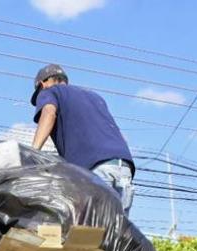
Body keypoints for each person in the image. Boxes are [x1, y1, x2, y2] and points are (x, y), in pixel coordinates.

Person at [30, 63, 135, 215]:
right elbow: (121, 137)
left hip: (96, 170)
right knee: (116, 233)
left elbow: (48, 112)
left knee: (90, 233)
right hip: (124, 168)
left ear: (42, 84)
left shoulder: (50, 91)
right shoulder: (94, 97)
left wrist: (33, 151)